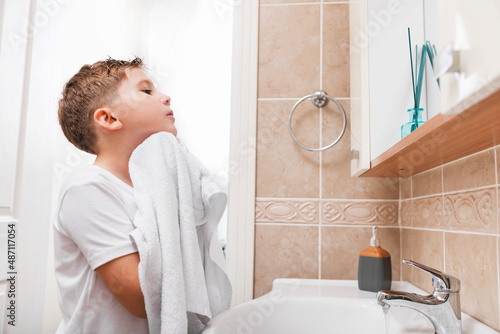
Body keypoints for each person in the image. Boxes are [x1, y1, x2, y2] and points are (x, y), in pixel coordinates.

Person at [53, 57, 176, 333]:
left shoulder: (150, 189)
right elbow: (141, 299)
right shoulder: (87, 188)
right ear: (109, 118)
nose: (166, 98)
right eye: (146, 91)